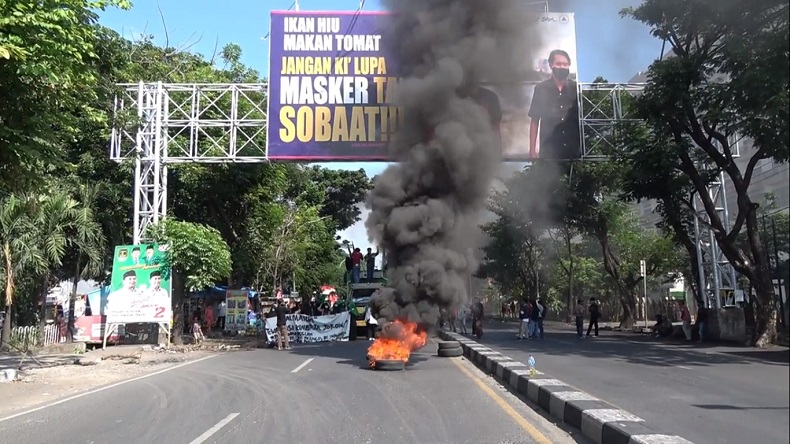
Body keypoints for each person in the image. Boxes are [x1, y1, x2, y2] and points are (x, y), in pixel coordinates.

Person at [528, 49, 581, 160]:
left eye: (565, 64)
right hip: (549, 150)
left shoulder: (576, 88)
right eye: (558, 64)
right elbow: (534, 120)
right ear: (551, 65)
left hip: (573, 150)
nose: (562, 67)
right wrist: (532, 150)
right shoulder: (541, 89)